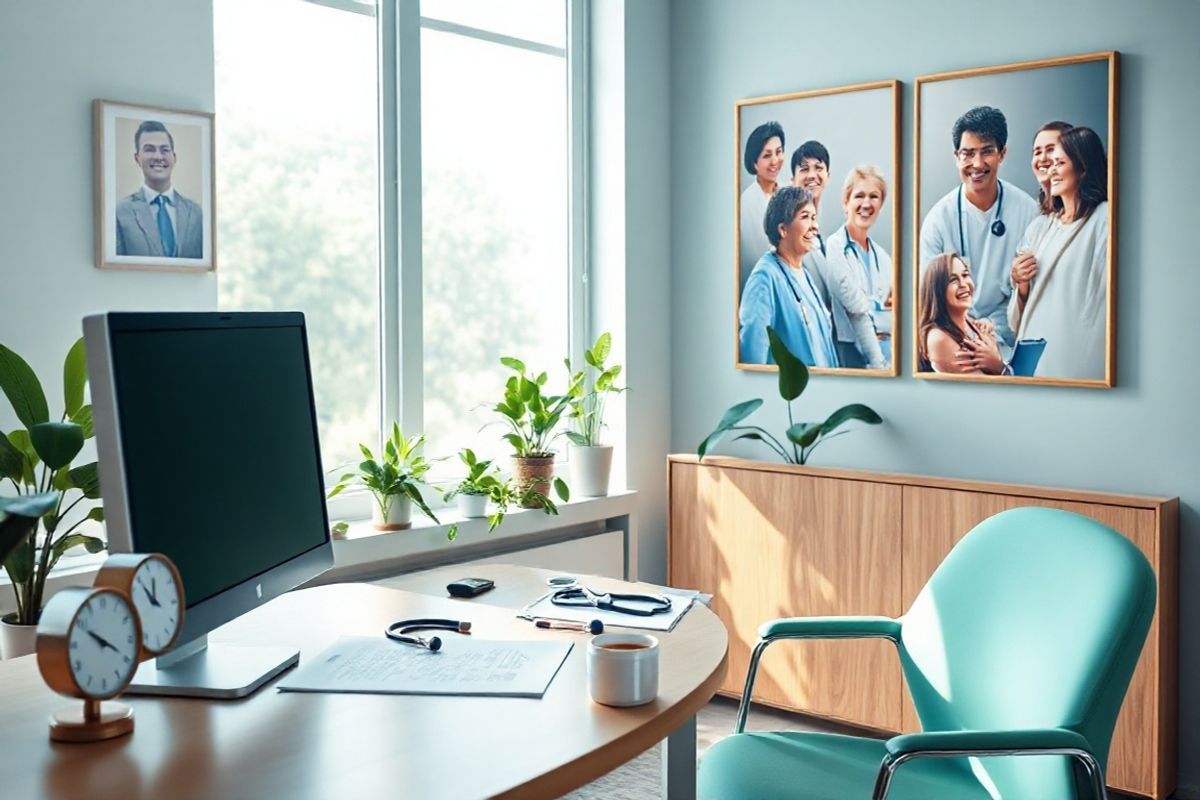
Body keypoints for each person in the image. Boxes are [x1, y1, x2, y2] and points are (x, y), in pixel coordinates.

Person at [918, 106, 1039, 348]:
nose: (977, 163)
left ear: (1002, 154)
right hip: (954, 342)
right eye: (968, 153)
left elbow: (1032, 291)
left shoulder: (1028, 211)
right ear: (956, 157)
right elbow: (930, 297)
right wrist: (968, 332)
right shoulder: (938, 220)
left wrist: (992, 332)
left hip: (1010, 338)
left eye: (987, 152)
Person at [1007, 126, 1109, 380]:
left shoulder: (1103, 218)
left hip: (1073, 360)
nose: (1050, 169)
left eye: (1058, 162)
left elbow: (1101, 301)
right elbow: (1021, 311)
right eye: (1046, 161)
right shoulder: (1043, 227)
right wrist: (1021, 284)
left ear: (1082, 168)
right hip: (1033, 361)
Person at [738, 186, 838, 367]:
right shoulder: (764, 278)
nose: (814, 226)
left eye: (814, 218)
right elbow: (752, 357)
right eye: (805, 217)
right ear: (783, 229)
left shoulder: (805, 276)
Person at [823, 165, 893, 369]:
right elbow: (856, 309)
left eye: (874, 196)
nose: (866, 203)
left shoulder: (883, 257)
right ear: (846, 202)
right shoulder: (835, 247)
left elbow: (892, 313)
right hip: (852, 353)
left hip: (888, 354)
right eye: (859, 196)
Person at [116, 120, 204, 258]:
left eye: (165, 150)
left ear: (174, 158)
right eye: (149, 149)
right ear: (137, 158)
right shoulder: (120, 212)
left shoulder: (196, 213)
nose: (158, 156)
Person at [918, 253, 1006, 375]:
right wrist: (998, 365)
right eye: (953, 280)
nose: (963, 284)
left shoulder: (970, 324)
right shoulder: (939, 338)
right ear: (937, 289)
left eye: (965, 275)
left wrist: (990, 342)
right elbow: (977, 390)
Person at [739, 121, 786, 271]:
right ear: (754, 163)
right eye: (767, 155)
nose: (775, 161)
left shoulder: (787, 191)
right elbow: (758, 254)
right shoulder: (748, 202)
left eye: (778, 152)